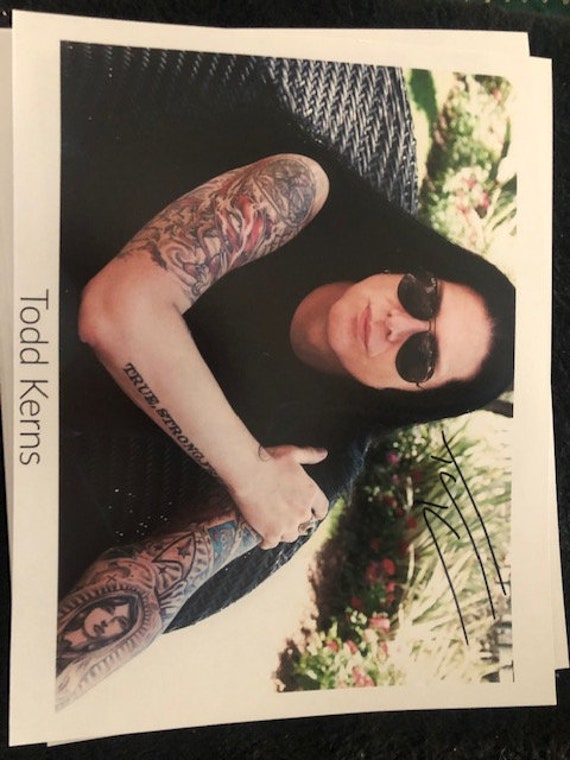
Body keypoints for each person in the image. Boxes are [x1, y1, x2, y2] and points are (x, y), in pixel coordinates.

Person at [56, 152, 515, 708]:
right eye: (423, 294)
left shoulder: (313, 465)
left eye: (420, 356)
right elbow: (114, 309)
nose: (397, 322)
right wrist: (250, 473)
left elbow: (146, 586)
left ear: (411, 397)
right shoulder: (299, 191)